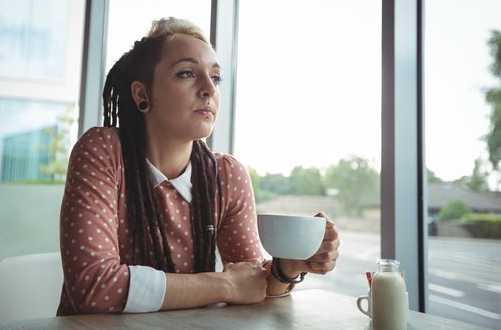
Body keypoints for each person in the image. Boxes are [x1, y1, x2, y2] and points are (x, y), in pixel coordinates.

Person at [57, 17, 340, 315]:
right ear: (142, 94)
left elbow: (252, 283)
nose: (208, 89)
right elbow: (95, 288)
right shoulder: (103, 151)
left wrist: (288, 267)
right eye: (187, 73)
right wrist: (225, 285)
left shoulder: (227, 175)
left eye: (215, 78)